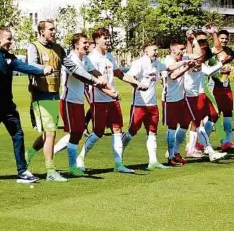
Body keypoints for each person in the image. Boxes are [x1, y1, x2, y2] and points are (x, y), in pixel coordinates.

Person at [25, 20, 108, 182]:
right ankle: (50, 171)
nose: (54, 32)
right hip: (39, 94)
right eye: (51, 29)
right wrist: (42, 69)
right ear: (42, 32)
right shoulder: (33, 46)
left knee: (47, 134)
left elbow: (73, 68)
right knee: (51, 133)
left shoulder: (58, 49)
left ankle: (26, 157)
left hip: (54, 94)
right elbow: (29, 65)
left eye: (54, 29)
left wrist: (93, 79)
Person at [0, 27, 53, 183]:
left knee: (18, 135)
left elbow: (24, 67)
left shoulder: (10, 57)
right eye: (8, 39)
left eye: (11, 39)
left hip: (8, 104)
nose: (10, 42)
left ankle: (22, 171)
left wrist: (42, 70)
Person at [76, 28, 146, 173]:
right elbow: (94, 82)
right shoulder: (91, 58)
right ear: (96, 40)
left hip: (112, 99)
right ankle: (80, 158)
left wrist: (136, 83)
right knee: (98, 132)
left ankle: (118, 163)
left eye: (109, 38)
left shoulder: (109, 56)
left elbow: (120, 74)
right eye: (105, 38)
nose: (108, 41)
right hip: (99, 99)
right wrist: (111, 93)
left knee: (117, 129)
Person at [121, 41, 189, 170]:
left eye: (157, 50)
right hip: (139, 104)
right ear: (146, 52)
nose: (157, 52)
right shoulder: (139, 63)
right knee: (132, 131)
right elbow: (128, 76)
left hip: (152, 105)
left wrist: (184, 63)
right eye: (154, 50)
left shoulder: (157, 63)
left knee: (152, 132)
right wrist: (137, 84)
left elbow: (169, 68)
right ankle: (119, 156)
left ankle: (153, 161)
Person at [58, 32, 118, 176]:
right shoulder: (70, 60)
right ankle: (72, 166)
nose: (87, 45)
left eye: (87, 43)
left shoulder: (85, 58)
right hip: (68, 101)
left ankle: (71, 164)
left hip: (79, 102)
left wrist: (108, 85)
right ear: (76, 45)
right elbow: (82, 76)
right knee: (75, 133)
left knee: (77, 133)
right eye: (84, 43)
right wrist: (107, 90)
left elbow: (94, 72)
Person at [184, 30, 229, 161]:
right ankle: (201, 149)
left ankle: (196, 147)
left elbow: (208, 67)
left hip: (200, 95)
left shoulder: (199, 60)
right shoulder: (191, 60)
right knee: (196, 124)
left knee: (210, 117)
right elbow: (207, 70)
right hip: (193, 96)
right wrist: (222, 63)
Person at [161, 40, 197, 166]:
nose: (182, 52)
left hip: (181, 98)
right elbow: (173, 76)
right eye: (180, 49)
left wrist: (190, 41)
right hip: (170, 99)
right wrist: (187, 67)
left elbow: (194, 55)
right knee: (171, 127)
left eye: (183, 49)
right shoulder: (167, 61)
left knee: (185, 123)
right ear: (173, 49)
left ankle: (175, 151)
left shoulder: (182, 58)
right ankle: (170, 156)